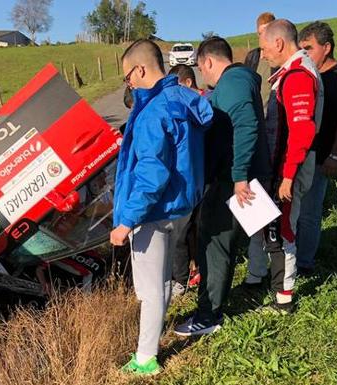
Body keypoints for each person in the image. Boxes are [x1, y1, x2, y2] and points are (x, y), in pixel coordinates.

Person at [111, 39, 213, 375]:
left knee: (149, 290)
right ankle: (154, 337)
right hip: (182, 207)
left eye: (128, 77)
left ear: (139, 70)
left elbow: (151, 174)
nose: (129, 83)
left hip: (152, 213)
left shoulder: (152, 112)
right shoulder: (185, 98)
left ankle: (145, 359)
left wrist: (126, 221)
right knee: (165, 279)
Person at [173, 36, 272, 336]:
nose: (204, 76)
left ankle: (209, 316)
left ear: (207, 62)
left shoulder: (232, 83)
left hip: (233, 180)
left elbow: (246, 123)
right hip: (234, 176)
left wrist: (240, 175)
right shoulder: (238, 82)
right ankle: (272, 286)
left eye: (202, 70)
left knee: (214, 243)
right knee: (235, 241)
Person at [245, 19, 323, 312]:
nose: (262, 55)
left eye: (264, 48)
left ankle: (284, 298)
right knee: (272, 228)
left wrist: (288, 176)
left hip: (288, 168)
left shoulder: (298, 75)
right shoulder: (290, 73)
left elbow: (301, 130)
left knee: (283, 230)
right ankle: (264, 278)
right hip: (281, 166)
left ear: (278, 43)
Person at [296, 22, 337, 275]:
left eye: (309, 48)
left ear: (327, 47)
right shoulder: (313, 76)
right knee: (299, 212)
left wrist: (335, 155)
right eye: (301, 49)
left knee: (310, 213)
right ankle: (295, 255)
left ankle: (304, 264)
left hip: (323, 158)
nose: (305, 54)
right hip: (305, 155)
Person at [167, 63, 205, 296]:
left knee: (181, 233)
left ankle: (180, 280)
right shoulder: (200, 105)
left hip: (190, 181)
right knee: (191, 230)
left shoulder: (197, 107)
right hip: (195, 180)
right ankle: (194, 268)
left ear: (188, 83)